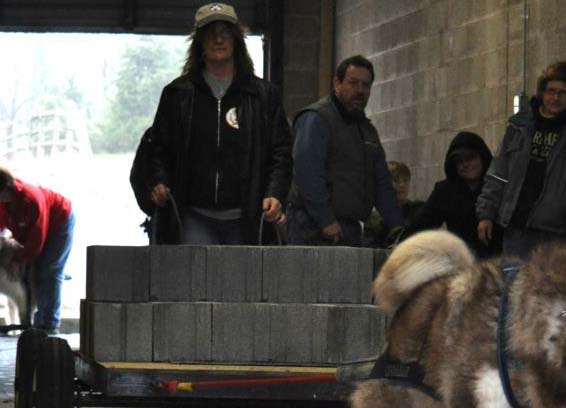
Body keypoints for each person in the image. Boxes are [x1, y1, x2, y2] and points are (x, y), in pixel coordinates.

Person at [147, 2, 292, 245]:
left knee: (241, 283)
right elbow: (157, 148)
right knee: (196, 281)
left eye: (225, 32)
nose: (218, 39)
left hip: (246, 217)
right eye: (210, 33)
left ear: (236, 40)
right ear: (199, 42)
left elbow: (281, 152)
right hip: (193, 215)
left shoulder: (263, 95)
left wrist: (275, 193)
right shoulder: (177, 94)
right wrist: (159, 181)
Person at [476, 61, 566, 258]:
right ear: (542, 92)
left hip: (560, 233)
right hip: (518, 227)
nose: (555, 97)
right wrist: (486, 214)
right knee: (517, 285)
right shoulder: (519, 127)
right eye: (551, 91)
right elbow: (499, 173)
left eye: (563, 92)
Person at [287, 55, 403, 246]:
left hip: (348, 228)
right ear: (337, 83)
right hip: (312, 227)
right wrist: (325, 219)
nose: (359, 90)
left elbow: (381, 182)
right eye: (353, 83)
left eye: (365, 85)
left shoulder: (367, 131)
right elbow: (307, 173)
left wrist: (398, 228)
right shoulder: (316, 119)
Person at [0, 167, 75, 334]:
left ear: (5, 190)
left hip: (59, 221)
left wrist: (15, 260)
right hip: (34, 228)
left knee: (49, 270)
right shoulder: (4, 201)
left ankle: (49, 324)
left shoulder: (31, 199)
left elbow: (35, 244)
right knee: (33, 274)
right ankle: (34, 323)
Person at [409, 131, 501, 258]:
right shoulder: (445, 191)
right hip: (460, 260)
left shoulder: (497, 188)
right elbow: (423, 224)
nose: (465, 164)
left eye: (470, 158)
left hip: (496, 258)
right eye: (459, 161)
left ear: (482, 158)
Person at [362, 160, 424, 248]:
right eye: (396, 181)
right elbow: (369, 250)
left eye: (405, 180)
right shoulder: (374, 219)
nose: (402, 185)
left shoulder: (418, 210)